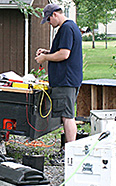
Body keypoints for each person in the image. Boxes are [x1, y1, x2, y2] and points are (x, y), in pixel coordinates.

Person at [35, 4, 83, 165]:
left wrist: (44, 59)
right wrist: (48, 52)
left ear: (55, 14)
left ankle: (69, 155)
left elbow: (64, 54)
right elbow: (62, 51)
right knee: (67, 115)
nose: (49, 23)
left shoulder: (66, 29)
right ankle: (68, 151)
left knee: (67, 117)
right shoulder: (69, 27)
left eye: (49, 19)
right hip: (67, 80)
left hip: (65, 81)